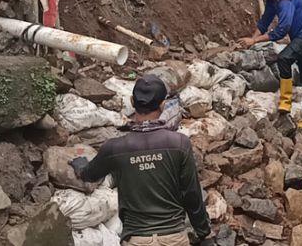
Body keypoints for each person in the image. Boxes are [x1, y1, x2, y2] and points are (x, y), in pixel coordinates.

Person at [71, 74, 212, 246]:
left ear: (132, 102)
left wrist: (80, 166)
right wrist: (203, 233)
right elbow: (191, 194)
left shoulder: (115, 148)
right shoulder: (179, 144)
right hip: (173, 237)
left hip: (137, 239)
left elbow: (90, 175)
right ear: (163, 104)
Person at [238, 0, 302, 131]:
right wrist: (251, 40)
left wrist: (256, 40)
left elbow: (283, 28)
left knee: (284, 58)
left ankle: (285, 102)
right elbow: (264, 22)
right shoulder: (272, 1)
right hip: (301, 35)